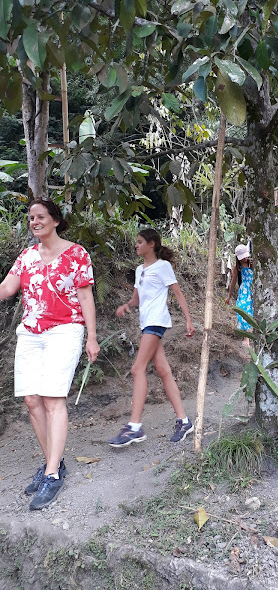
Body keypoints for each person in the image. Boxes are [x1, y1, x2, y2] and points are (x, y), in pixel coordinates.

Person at [0, 198, 100, 510]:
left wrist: (92, 337)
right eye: (31, 218)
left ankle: (53, 475)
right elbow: (6, 289)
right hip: (31, 332)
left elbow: (85, 295)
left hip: (65, 330)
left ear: (55, 220)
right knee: (32, 401)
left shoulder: (76, 254)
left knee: (53, 399)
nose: (34, 221)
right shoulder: (27, 256)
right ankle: (51, 463)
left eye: (40, 216)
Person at [108, 228, 195, 447]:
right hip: (146, 322)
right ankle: (184, 421)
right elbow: (136, 298)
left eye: (140, 242)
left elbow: (177, 293)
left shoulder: (163, 266)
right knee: (164, 371)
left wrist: (188, 320)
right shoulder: (139, 270)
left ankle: (134, 427)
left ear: (152, 244)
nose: (136, 245)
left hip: (156, 321)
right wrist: (127, 305)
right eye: (136, 242)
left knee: (138, 369)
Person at [225, 244, 253, 347]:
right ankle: (246, 335)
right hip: (244, 291)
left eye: (246, 256)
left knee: (250, 312)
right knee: (242, 310)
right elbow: (233, 282)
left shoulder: (252, 263)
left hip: (253, 290)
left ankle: (248, 337)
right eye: (242, 258)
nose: (244, 259)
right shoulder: (237, 267)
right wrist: (229, 296)